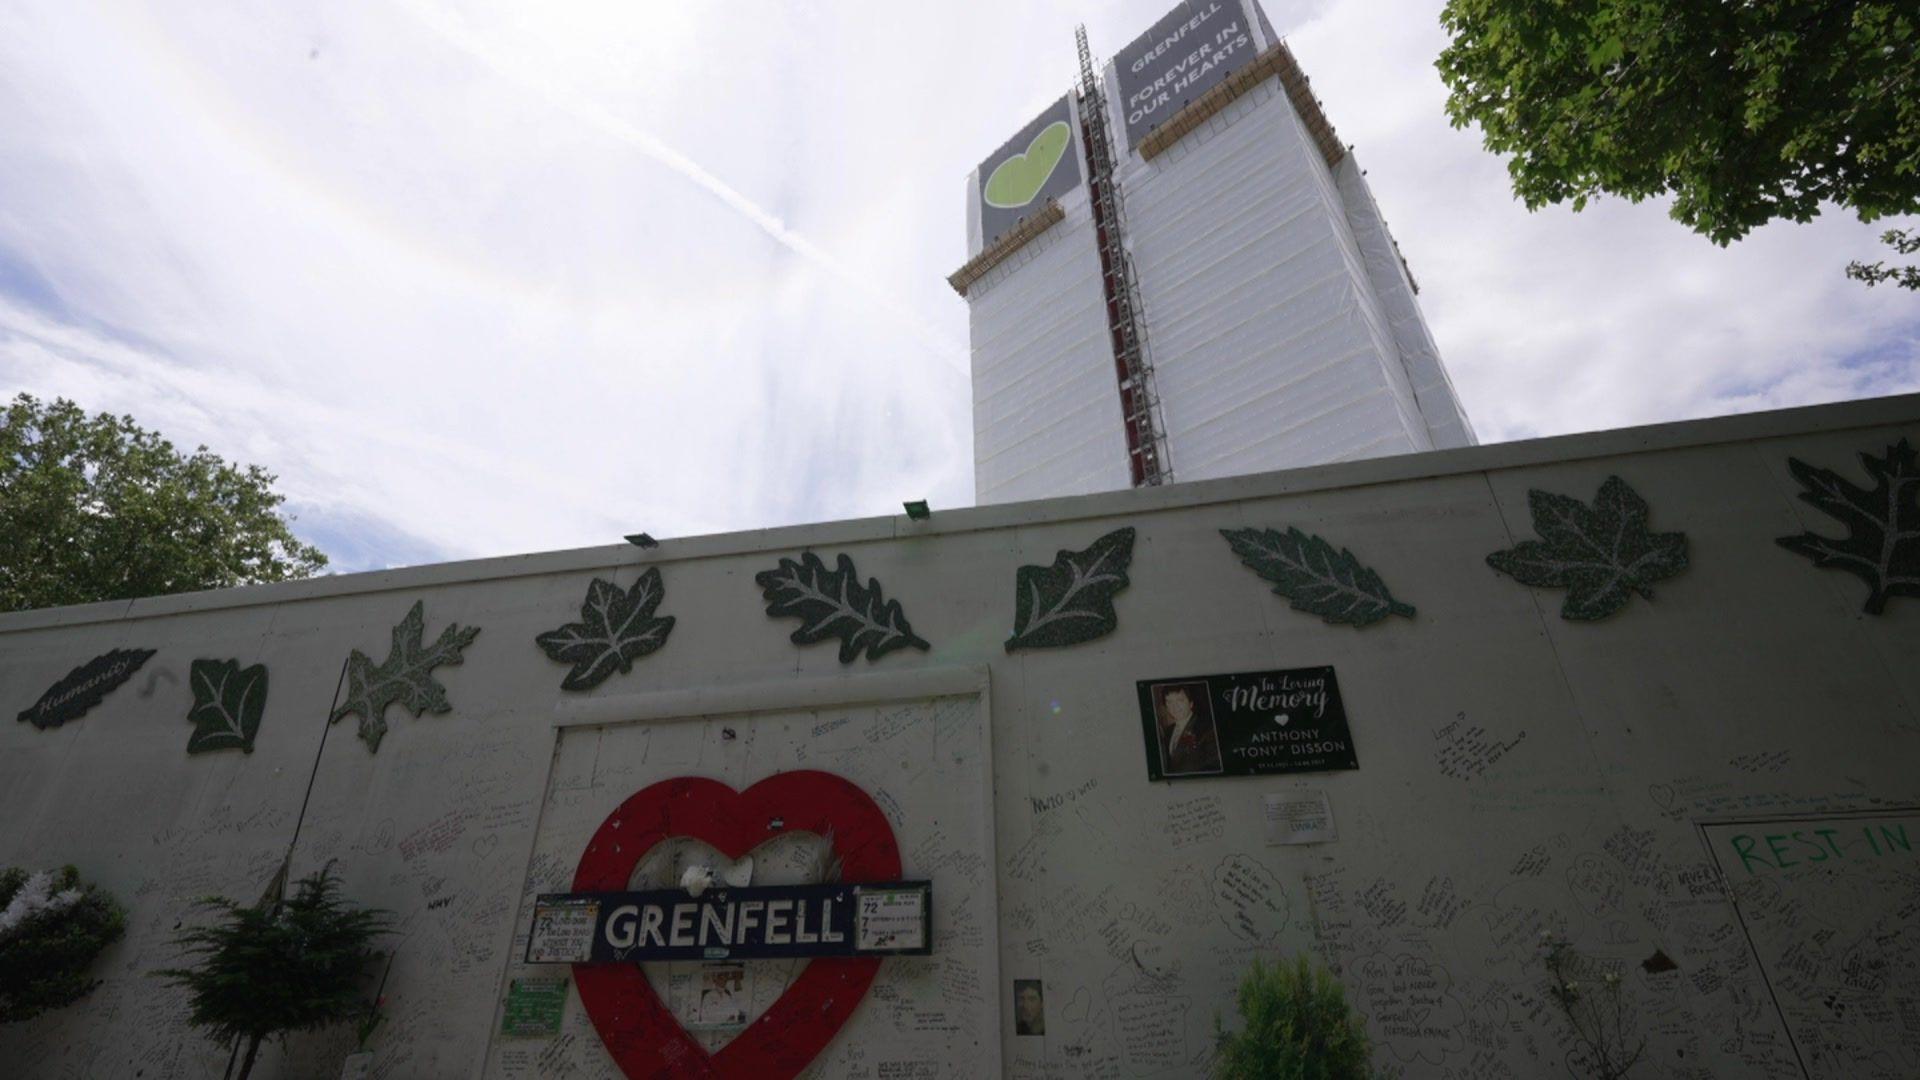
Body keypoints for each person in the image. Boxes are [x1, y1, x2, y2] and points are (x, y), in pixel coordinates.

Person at [1157, 684, 1222, 775]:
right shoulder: (1168, 731)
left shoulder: (1207, 728)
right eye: (1169, 702)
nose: (1174, 706)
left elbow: (1214, 766)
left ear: (1191, 703)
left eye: (1180, 700)